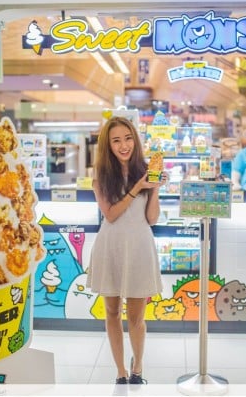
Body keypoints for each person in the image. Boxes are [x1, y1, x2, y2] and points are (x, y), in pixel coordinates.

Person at [86, 116, 167, 385]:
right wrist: (137, 188)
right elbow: (110, 214)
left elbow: (152, 219)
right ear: (108, 146)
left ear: (136, 140)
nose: (124, 145)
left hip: (140, 246)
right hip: (110, 246)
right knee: (111, 312)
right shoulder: (101, 176)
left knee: (136, 317)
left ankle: (138, 367)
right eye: (116, 140)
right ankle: (120, 371)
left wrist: (154, 189)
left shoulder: (145, 170)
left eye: (128, 138)